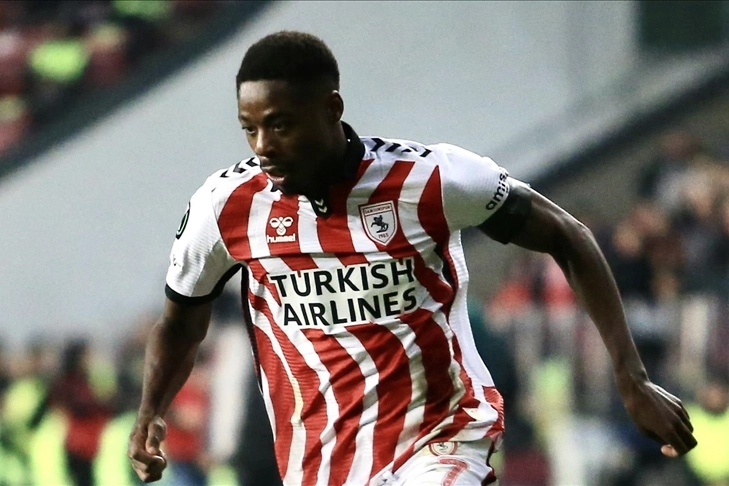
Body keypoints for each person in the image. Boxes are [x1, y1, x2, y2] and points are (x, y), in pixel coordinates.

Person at [128, 31, 697, 486]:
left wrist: (631, 378)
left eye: (280, 124)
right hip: (321, 461)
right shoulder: (225, 207)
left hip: (442, 437)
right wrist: (151, 410)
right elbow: (180, 322)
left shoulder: (430, 180)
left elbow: (569, 236)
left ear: (331, 109)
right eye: (249, 128)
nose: (262, 146)